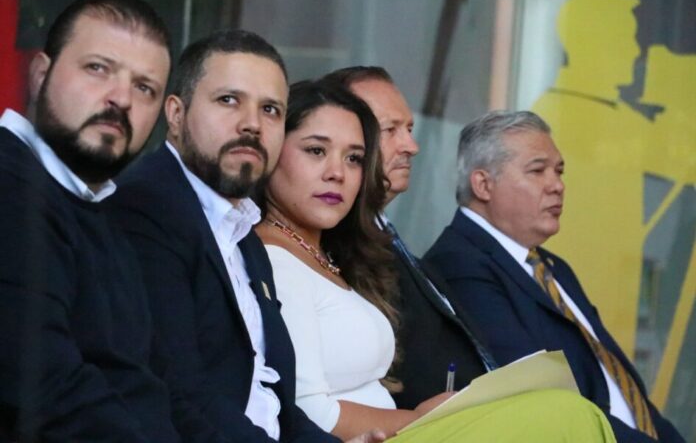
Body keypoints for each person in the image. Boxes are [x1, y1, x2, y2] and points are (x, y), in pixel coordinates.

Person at [256, 79, 617, 442]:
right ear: (271, 150)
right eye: (316, 150)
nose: (337, 172)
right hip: (391, 434)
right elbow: (309, 411)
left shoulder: (327, 256)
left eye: (354, 159)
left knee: (564, 410)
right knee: (565, 413)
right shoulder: (274, 259)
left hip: (408, 427)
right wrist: (419, 419)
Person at [105, 29, 380, 443]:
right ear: (176, 114)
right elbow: (180, 398)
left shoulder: (241, 229)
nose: (252, 124)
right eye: (229, 100)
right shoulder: (147, 209)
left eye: (270, 110)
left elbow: (274, 401)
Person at [423, 110, 685, 443]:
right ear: (483, 184)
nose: (557, 185)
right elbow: (543, 395)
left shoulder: (550, 266)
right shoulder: (459, 264)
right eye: (537, 171)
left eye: (559, 171)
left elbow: (619, 385)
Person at [0, 0, 179, 442]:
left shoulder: (98, 210)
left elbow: (150, 388)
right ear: (40, 74)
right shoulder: (10, 187)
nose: (121, 98)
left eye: (145, 88)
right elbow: (42, 389)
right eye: (98, 68)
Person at [322, 66, 496, 409]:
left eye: (410, 129)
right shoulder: (330, 245)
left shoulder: (385, 235)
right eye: (391, 130)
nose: (412, 146)